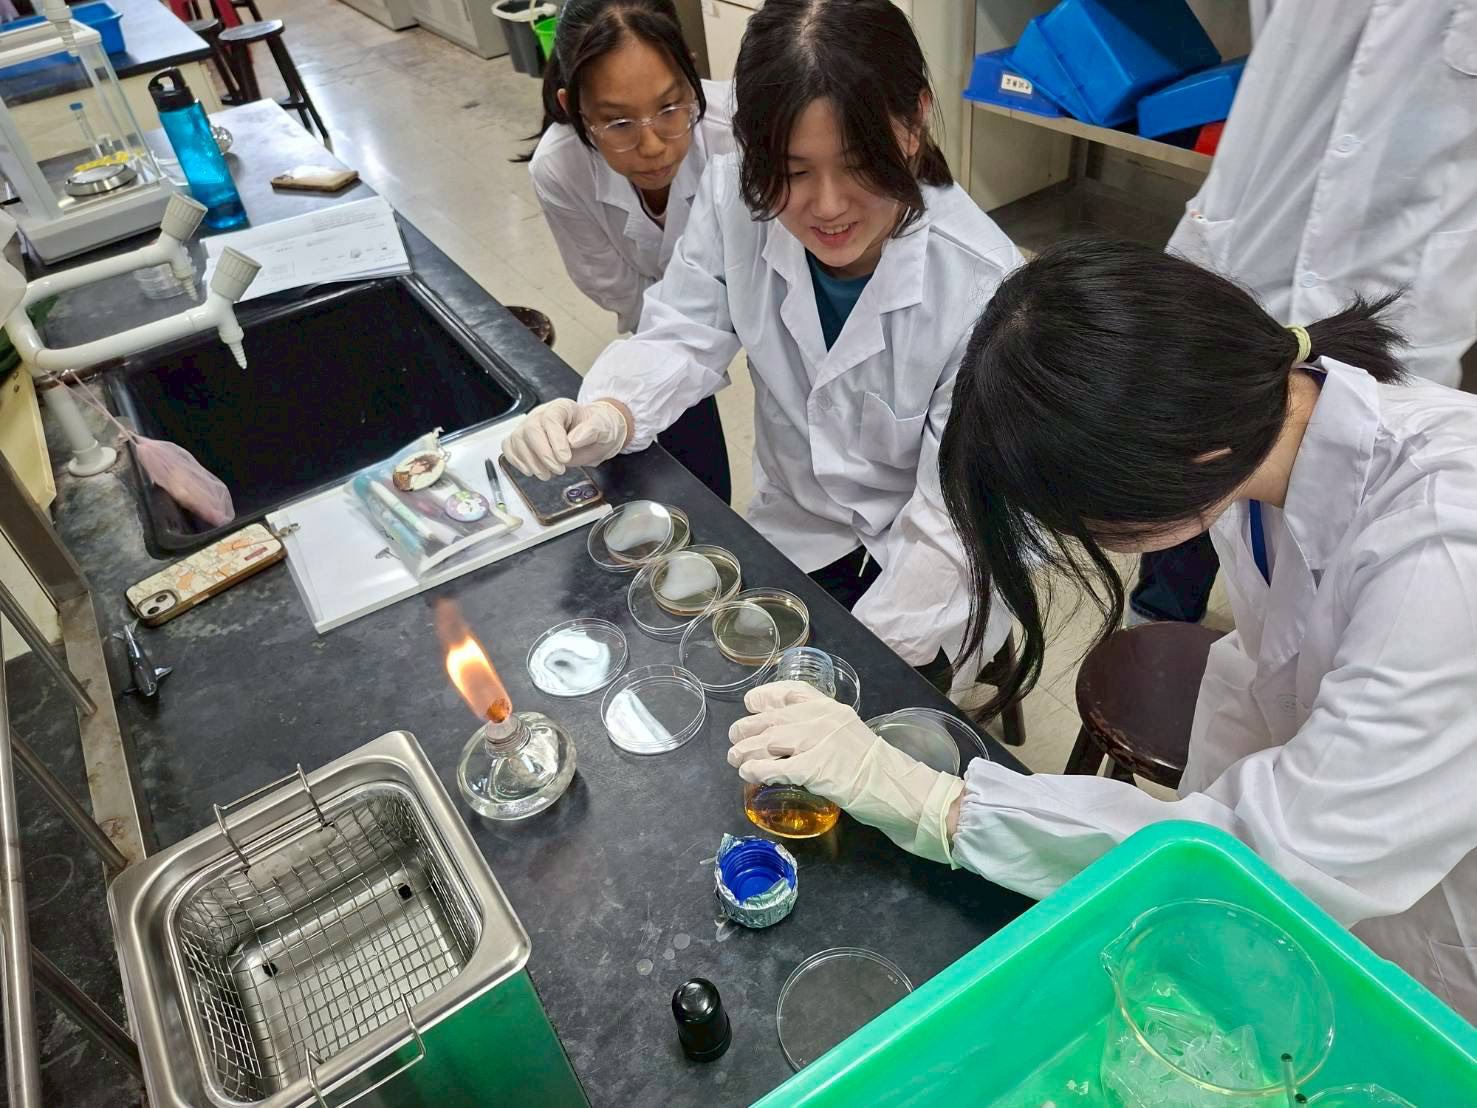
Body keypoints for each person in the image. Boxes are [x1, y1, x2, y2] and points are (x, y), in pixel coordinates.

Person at [728, 240, 1477, 1021]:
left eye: (1081, 521)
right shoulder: (1248, 433)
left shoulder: (1444, 556)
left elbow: (1281, 857)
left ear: (1194, 462)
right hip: (1335, 851)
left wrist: (939, 806)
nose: (1072, 537)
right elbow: (1269, 700)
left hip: (1430, 920)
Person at [504, 0, 1021, 679]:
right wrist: (610, 410)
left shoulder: (986, 286)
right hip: (799, 530)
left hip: (925, 566)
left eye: (860, 163)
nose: (827, 207)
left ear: (916, 118)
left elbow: (958, 518)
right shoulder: (735, 197)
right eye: (793, 170)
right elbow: (683, 329)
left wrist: (861, 661)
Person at [1130, 0, 1477, 625]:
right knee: (1186, 465)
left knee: (1356, 547)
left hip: (1401, 284)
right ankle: (1159, 625)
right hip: (1253, 238)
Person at [519, 0, 733, 503]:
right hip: (655, 324)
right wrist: (616, 409)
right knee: (689, 473)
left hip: (755, 301)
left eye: (669, 108)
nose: (653, 146)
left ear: (692, 76)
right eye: (618, 123)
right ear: (574, 108)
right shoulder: (559, 168)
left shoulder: (738, 131)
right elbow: (630, 299)